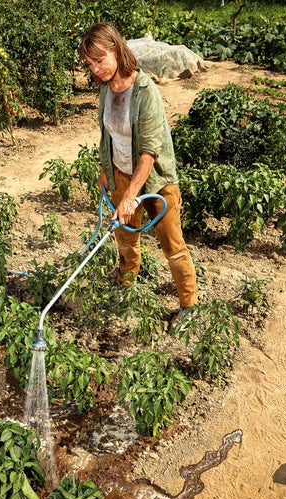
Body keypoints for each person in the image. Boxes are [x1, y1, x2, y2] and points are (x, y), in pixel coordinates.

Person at [78, 22, 197, 329]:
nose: (96, 68)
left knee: (172, 245)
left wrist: (131, 196)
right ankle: (126, 286)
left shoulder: (145, 91)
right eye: (90, 63)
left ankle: (189, 304)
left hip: (156, 180)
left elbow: (148, 152)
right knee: (126, 240)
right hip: (119, 174)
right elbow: (108, 134)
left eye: (100, 60)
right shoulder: (106, 90)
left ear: (116, 50)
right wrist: (106, 171)